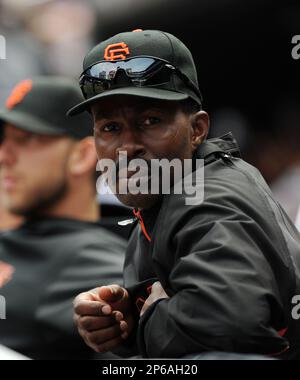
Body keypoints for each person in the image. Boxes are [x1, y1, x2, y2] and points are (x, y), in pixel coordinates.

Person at [70, 30, 300, 359]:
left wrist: (146, 321)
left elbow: (227, 327)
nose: (127, 146)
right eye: (110, 128)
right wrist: (128, 316)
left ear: (197, 130)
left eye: (150, 121)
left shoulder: (210, 196)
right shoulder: (161, 198)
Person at [0, 77, 126, 359]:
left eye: (25, 139)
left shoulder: (92, 257)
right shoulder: (21, 234)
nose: (3, 156)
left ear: (82, 155)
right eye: (3, 140)